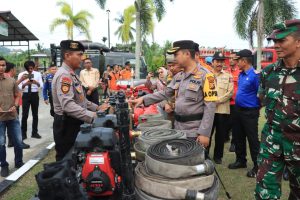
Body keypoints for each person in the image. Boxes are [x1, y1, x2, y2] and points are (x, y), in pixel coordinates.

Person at [130, 40, 217, 147]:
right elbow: (165, 93)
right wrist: (143, 99)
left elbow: (210, 107)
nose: (174, 58)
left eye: (176, 54)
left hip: (194, 131)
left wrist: (204, 133)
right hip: (177, 129)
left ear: (187, 54)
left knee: (192, 161)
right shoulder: (179, 76)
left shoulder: (207, 76)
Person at [255, 19, 300, 200]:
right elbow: (262, 99)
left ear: (298, 42)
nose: (276, 45)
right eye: (274, 41)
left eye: (282, 40)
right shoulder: (269, 72)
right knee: (265, 190)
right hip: (272, 140)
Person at [52, 40, 109, 161]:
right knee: (66, 161)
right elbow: (68, 105)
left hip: (74, 121)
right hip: (66, 125)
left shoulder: (72, 74)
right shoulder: (64, 76)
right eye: (79, 54)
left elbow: (82, 100)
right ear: (67, 56)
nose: (82, 58)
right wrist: (93, 116)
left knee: (76, 159)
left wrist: (97, 108)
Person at [228, 49, 260, 178]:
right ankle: (241, 160)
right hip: (238, 110)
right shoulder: (241, 74)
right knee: (238, 137)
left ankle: (258, 166)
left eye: (238, 60)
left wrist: (255, 108)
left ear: (244, 61)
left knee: (252, 140)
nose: (236, 63)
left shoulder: (255, 76)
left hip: (250, 112)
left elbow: (260, 95)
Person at [208, 52, 233, 164]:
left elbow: (230, 92)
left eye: (222, 61)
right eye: (217, 61)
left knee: (220, 135)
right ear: (213, 62)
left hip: (222, 110)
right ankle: (205, 154)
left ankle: (218, 156)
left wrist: (217, 100)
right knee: (207, 133)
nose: (219, 63)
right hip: (209, 110)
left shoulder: (228, 76)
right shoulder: (207, 75)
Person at [0, 57, 24, 177]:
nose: (1, 68)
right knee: (1, 143)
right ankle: (3, 165)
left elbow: (17, 95)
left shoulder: (11, 80)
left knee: (18, 142)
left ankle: (19, 163)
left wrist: (15, 105)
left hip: (12, 116)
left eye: (3, 65)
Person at [4, 62, 30, 149]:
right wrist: (22, 80)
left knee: (9, 122)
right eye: (15, 69)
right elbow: (13, 88)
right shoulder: (7, 77)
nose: (15, 71)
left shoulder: (6, 76)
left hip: (9, 104)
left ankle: (11, 141)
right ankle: (19, 142)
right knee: (15, 124)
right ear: (12, 69)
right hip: (12, 104)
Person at [18, 60, 43, 140]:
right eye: (29, 69)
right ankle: (23, 134)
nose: (30, 70)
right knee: (24, 115)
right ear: (26, 68)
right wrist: (25, 84)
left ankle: (34, 132)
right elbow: (18, 87)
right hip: (25, 95)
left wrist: (36, 83)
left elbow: (41, 85)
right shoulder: (21, 74)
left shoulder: (38, 74)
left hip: (34, 94)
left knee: (35, 114)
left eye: (32, 68)